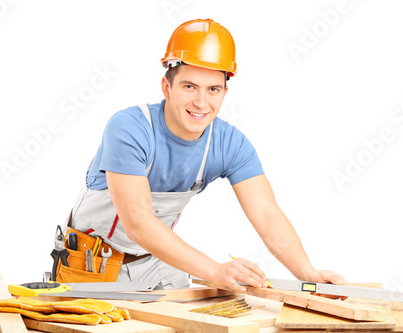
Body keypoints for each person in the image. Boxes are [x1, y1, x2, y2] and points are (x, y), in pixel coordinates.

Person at [67, 18, 347, 293]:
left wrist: (308, 274)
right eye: (189, 86)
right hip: (92, 264)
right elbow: (138, 222)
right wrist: (214, 271)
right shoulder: (130, 128)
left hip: (157, 261)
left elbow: (268, 215)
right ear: (167, 87)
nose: (201, 103)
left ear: (225, 92)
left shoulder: (229, 143)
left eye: (213, 89)